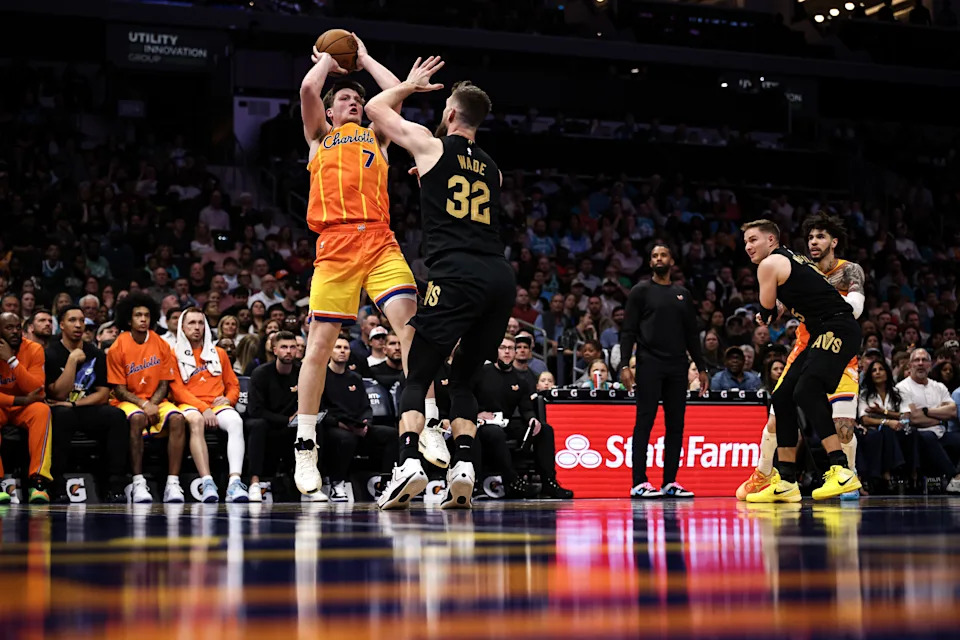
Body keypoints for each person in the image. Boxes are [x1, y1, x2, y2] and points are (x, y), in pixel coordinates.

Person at [365, 57, 516, 509]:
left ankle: (408, 463)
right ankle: (464, 468)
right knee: (465, 381)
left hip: (455, 273)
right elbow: (461, 192)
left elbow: (375, 108)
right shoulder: (494, 169)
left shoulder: (431, 145)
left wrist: (410, 86)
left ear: (450, 113)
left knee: (419, 373)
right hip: (499, 278)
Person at [294, 34, 420, 498]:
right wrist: (329, 60)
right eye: (345, 97)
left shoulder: (377, 135)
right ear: (331, 112)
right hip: (335, 244)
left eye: (358, 98)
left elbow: (400, 89)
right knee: (320, 347)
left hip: (380, 240)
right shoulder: (318, 136)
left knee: (410, 329)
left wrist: (364, 59)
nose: (354, 101)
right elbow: (310, 90)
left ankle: (425, 421)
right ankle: (305, 444)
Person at [737, 213, 867, 500]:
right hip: (820, 331)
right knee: (782, 396)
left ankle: (841, 471)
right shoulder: (791, 259)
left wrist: (767, 314)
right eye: (745, 241)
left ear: (771, 239)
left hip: (837, 326)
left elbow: (767, 309)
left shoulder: (769, 264)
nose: (747, 246)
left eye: (753, 240)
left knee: (807, 390)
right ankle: (785, 480)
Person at [619, 244, 708, 499]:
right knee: (644, 422)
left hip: (678, 365)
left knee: (676, 425)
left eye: (664, 255)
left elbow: (692, 334)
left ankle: (670, 481)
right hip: (649, 363)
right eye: (655, 255)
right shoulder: (640, 291)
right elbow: (628, 330)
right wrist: (625, 364)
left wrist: (701, 367)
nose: (659, 258)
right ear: (650, 262)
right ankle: (639, 482)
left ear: (672, 260)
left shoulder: (682, 294)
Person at [107, 293, 188, 504]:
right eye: (138, 315)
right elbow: (118, 388)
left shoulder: (161, 343)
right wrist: (143, 404)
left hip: (155, 399)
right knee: (136, 419)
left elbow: (165, 381)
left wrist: (152, 404)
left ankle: (173, 483)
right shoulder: (118, 346)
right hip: (128, 400)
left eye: (147, 315)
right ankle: (138, 481)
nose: (143, 319)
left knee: (178, 419)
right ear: (128, 320)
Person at [45, 306, 129, 503]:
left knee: (116, 417)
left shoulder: (96, 353)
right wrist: (72, 361)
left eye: (82, 321)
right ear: (62, 325)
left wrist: (76, 405)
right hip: (60, 410)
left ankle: (114, 484)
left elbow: (102, 394)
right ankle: (57, 486)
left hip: (84, 407)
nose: (78, 325)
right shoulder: (51, 353)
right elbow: (57, 392)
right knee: (61, 417)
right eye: (72, 320)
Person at [474, 335, 572, 498]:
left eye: (510, 348)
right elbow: (467, 397)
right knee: (494, 432)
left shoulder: (520, 379)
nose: (507, 352)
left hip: (506, 422)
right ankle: (512, 481)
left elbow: (526, 408)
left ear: (515, 352)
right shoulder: (482, 373)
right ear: (496, 351)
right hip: (482, 424)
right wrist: (477, 412)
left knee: (545, 429)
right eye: (503, 348)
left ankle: (549, 483)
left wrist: (532, 419)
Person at [170, 308, 248, 503]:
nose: (197, 328)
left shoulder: (219, 353)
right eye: (192, 323)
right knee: (195, 421)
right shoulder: (172, 354)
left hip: (216, 405)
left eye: (200, 323)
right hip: (189, 405)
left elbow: (233, 385)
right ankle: (207, 482)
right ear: (182, 327)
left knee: (236, 421)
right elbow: (177, 390)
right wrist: (202, 408)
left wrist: (229, 400)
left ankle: (234, 483)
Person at [320, 338, 398, 501]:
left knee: (391, 434)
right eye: (338, 347)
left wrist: (366, 424)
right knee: (346, 439)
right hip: (335, 426)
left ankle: (385, 484)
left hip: (357, 425)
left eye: (346, 348)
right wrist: (341, 424)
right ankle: (337, 483)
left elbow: (366, 407)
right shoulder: (321, 377)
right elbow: (320, 411)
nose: (342, 351)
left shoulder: (355, 378)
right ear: (329, 351)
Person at [0, 312, 53, 503]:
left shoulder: (34, 349)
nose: (15, 332)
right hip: (10, 404)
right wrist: (19, 401)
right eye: (8, 328)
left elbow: (36, 389)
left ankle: (38, 482)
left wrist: (11, 361)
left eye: (17, 327)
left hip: (26, 405)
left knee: (42, 410)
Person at [246, 331, 303, 502]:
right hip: (267, 422)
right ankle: (254, 482)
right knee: (258, 425)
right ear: (274, 350)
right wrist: (286, 420)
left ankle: (312, 483)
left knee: (315, 425)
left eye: (293, 347)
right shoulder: (260, 373)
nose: (289, 351)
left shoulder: (302, 372)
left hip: (292, 423)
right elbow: (255, 410)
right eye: (284, 347)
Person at [895, 348, 960, 493]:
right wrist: (939, 417)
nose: (920, 363)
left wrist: (926, 411)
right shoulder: (902, 387)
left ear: (930, 365)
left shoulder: (939, 387)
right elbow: (913, 418)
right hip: (916, 436)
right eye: (916, 360)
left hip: (940, 434)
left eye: (924, 360)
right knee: (927, 436)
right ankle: (954, 477)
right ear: (910, 365)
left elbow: (953, 411)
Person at [856, 359, 908, 492]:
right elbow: (865, 420)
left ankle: (888, 474)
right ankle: (888, 473)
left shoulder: (898, 393)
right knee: (885, 431)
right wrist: (888, 420)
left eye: (881, 369)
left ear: (887, 372)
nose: (878, 372)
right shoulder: (865, 395)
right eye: (874, 370)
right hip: (877, 432)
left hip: (900, 430)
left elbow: (905, 416)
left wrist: (881, 412)